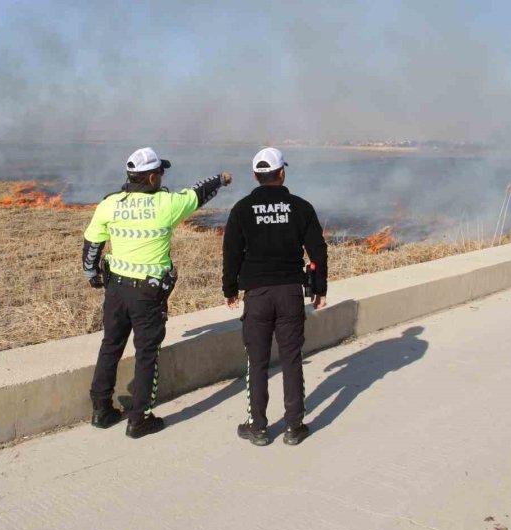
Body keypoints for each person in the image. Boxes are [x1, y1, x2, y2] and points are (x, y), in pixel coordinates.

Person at [83, 147, 232, 439]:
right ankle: (140, 419)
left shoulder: (109, 204)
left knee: (110, 345)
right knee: (146, 354)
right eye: (161, 173)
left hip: (116, 290)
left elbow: (91, 246)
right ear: (152, 177)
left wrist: (92, 274)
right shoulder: (167, 204)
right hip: (147, 295)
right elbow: (198, 193)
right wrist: (221, 179)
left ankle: (101, 410)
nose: (162, 177)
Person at [222, 147, 328, 446]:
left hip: (256, 295)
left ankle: (257, 427)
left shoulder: (241, 209)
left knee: (256, 362)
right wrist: (319, 288)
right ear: (282, 173)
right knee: (292, 359)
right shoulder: (301, 207)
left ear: (256, 176)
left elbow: (230, 254)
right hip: (290, 293)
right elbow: (318, 251)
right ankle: (295, 427)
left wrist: (229, 290)